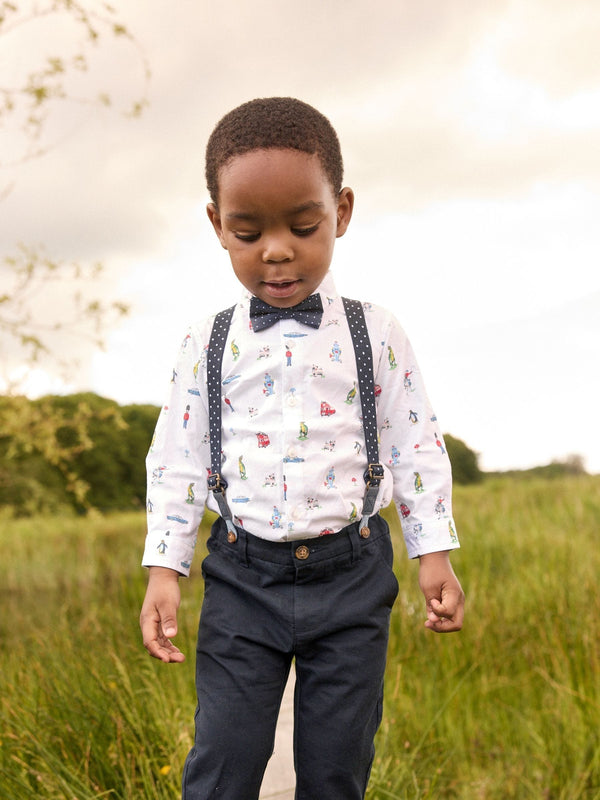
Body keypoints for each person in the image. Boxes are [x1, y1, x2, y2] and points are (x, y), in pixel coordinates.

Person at [139, 97, 465, 800]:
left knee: (335, 768)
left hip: (350, 579)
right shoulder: (206, 342)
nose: (277, 250)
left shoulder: (375, 333)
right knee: (223, 761)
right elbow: (177, 461)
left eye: (304, 225)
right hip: (241, 578)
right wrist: (163, 569)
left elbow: (415, 441)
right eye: (248, 232)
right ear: (216, 226)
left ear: (341, 212)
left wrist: (432, 550)